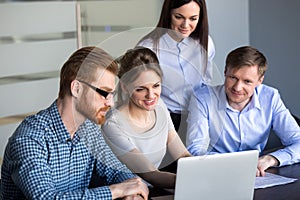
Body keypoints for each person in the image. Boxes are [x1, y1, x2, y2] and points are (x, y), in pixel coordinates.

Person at [0, 46, 149, 199]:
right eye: (104, 93)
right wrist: (116, 191)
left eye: (112, 94)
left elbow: (117, 172)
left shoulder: (89, 130)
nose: (110, 103)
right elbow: (46, 198)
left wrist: (132, 194)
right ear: (76, 88)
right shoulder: (29, 139)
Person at [186, 46, 300, 176]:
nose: (237, 87)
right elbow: (195, 150)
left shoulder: (270, 97)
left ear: (260, 81)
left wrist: (270, 159)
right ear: (225, 72)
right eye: (233, 78)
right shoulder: (203, 98)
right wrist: (238, 165)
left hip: (257, 174)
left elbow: (298, 141)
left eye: (247, 81)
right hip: (217, 172)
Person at [101, 47, 190, 189]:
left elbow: (182, 155)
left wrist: (202, 170)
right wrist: (193, 180)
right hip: (130, 193)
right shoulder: (113, 124)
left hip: (156, 188)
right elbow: (150, 175)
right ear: (124, 87)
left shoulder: (159, 106)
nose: (151, 95)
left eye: (156, 86)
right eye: (141, 89)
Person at [137, 0, 215, 144]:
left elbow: (206, 83)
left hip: (199, 117)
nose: (185, 25)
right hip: (164, 119)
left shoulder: (206, 44)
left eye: (193, 19)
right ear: (168, 14)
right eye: (178, 17)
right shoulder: (148, 47)